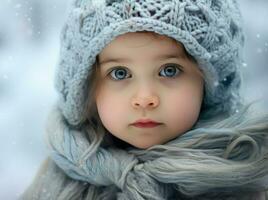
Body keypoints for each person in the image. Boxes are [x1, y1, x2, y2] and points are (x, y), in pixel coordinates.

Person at [20, 0, 268, 199]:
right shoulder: (59, 186)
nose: (145, 98)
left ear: (211, 83)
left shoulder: (243, 181)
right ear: (86, 87)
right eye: (120, 73)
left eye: (169, 70)